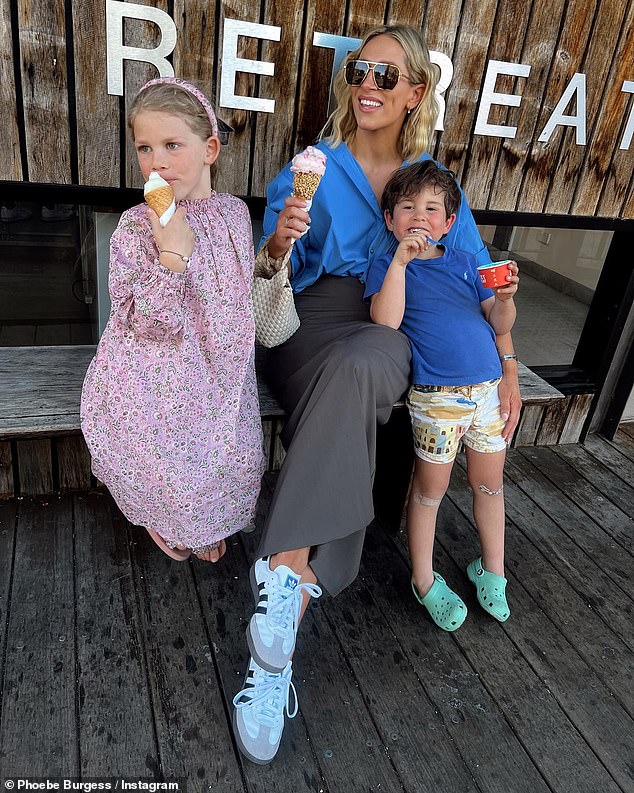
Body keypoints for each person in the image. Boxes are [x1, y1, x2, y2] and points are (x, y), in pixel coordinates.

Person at [231, 24, 521, 764]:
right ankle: (286, 612)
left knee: (369, 362)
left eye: (388, 76)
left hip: (394, 327)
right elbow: (265, 280)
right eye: (360, 70)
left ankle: (280, 590)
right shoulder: (315, 166)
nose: (369, 84)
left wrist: (508, 364)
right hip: (310, 320)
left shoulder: (430, 186)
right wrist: (278, 241)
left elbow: (481, 280)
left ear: (417, 93)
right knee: (351, 385)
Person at [81, 77, 264, 563]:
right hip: (157, 371)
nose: (156, 162)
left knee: (230, 452)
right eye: (144, 148)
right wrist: (172, 257)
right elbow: (145, 325)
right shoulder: (136, 227)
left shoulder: (235, 215)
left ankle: (205, 519)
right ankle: (167, 518)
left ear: (209, 150)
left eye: (171, 145)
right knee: (169, 456)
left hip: (220, 366)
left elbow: (237, 293)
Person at [365, 160, 518, 631]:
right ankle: (424, 578)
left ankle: (492, 570)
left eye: (432, 209)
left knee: (490, 485)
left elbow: (498, 323)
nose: (419, 216)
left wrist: (508, 298)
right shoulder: (387, 265)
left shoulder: (469, 261)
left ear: (449, 223)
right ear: (390, 219)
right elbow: (385, 321)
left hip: (488, 394)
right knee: (429, 492)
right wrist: (399, 262)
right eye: (407, 207)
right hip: (437, 400)